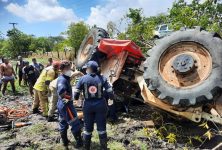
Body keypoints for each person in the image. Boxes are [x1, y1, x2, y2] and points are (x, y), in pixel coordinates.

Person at [74, 61, 114, 150]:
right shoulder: (102, 78)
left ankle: (86, 147)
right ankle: (103, 148)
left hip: (87, 105)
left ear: (89, 68)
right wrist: (111, 99)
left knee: (87, 128)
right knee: (102, 128)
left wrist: (77, 100)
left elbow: (76, 94)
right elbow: (110, 92)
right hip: (100, 105)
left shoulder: (83, 79)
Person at [57, 60, 83, 148]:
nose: (70, 70)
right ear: (63, 69)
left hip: (61, 105)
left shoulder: (64, 77)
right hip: (66, 106)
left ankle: (65, 142)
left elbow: (71, 76)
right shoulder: (62, 80)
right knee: (75, 123)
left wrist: (77, 73)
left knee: (63, 122)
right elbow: (62, 93)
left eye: (70, 68)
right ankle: (79, 143)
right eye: (68, 68)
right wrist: (71, 98)